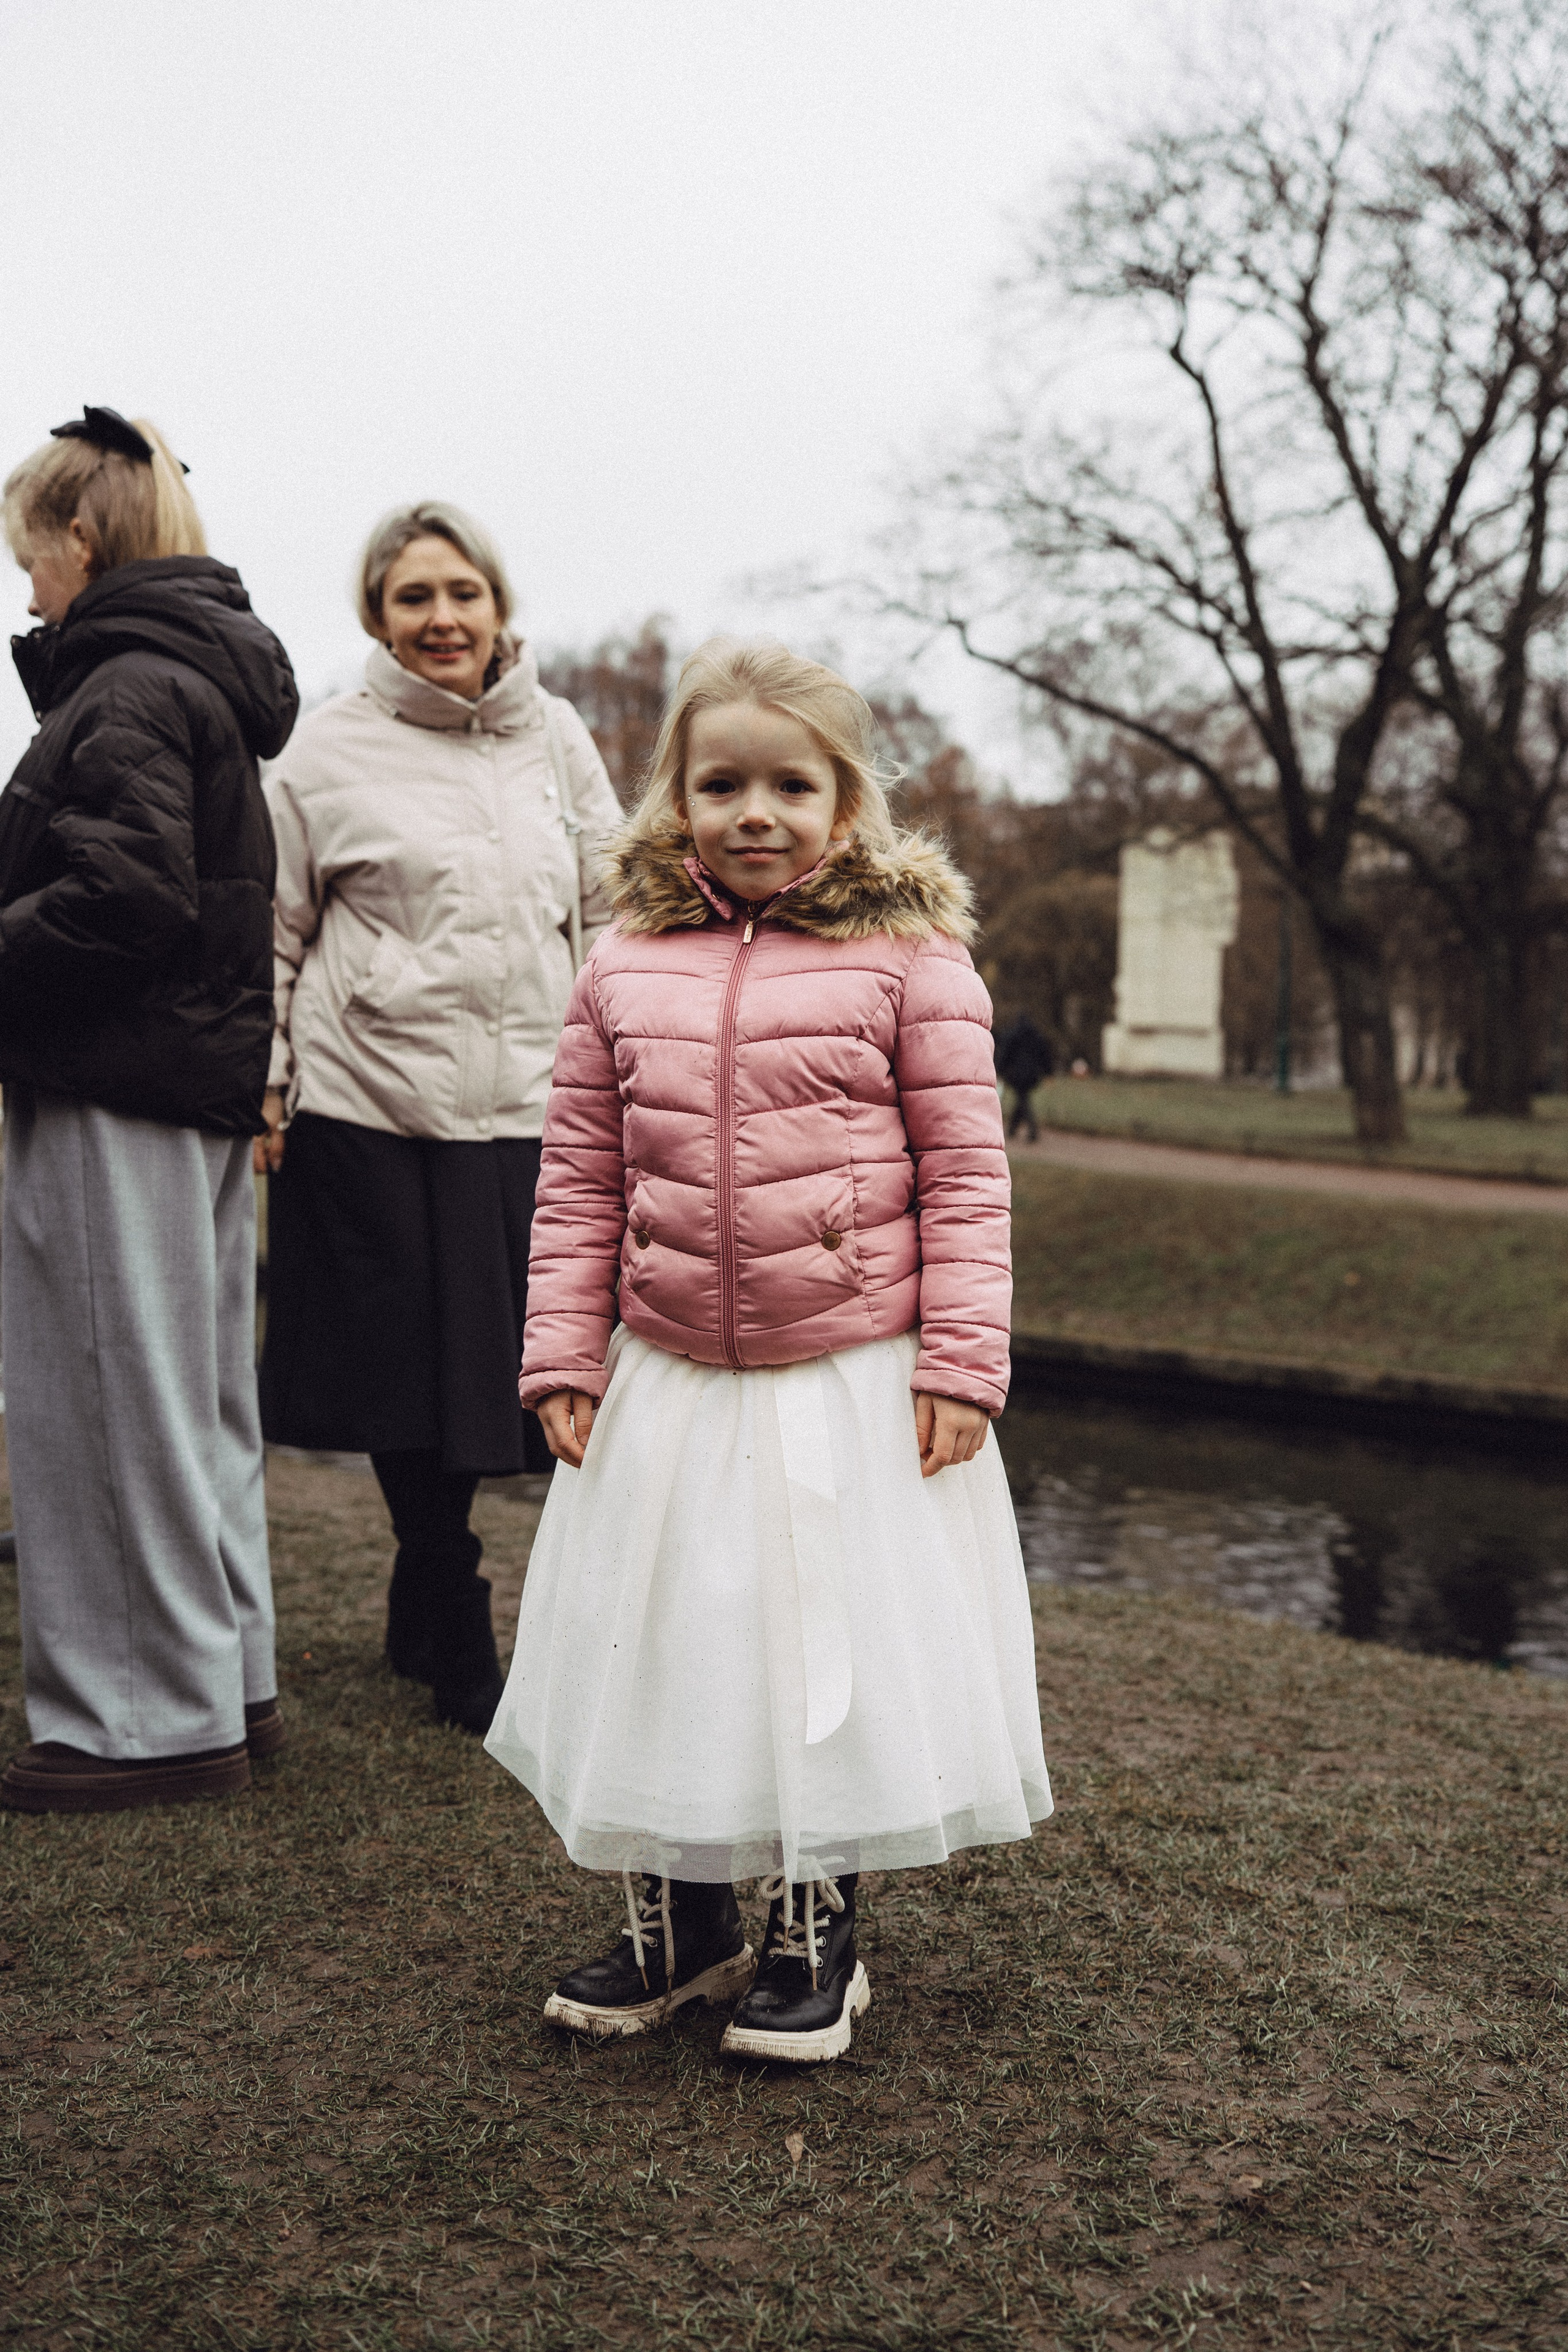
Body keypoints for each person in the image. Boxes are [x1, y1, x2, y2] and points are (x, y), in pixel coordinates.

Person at [485, 639, 1052, 2064]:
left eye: (790, 783)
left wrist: (959, 1361)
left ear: (845, 802)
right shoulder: (621, 963)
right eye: (719, 781)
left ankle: (815, 1916)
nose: (754, 810)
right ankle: (679, 1916)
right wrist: (564, 1344)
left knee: (818, 1643)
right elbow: (580, 1178)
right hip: (667, 1370)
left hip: (845, 1372)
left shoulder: (911, 961)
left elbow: (967, 1173)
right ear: (674, 794)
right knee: (673, 1632)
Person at [257, 502, 624, 1735]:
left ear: (497, 604)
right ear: (377, 617)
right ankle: (451, 1604)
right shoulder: (322, 751)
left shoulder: (557, 736)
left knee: (490, 1367)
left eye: (461, 592)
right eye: (413, 598)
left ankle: (423, 1580)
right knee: (399, 1371)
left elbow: (612, 906)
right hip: (368, 1098)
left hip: (528, 1100)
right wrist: (266, 1075)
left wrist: (630, 1058)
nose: (442, 619)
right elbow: (274, 928)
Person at [0, 407, 297, 1814]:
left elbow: (124, 895)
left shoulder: (120, 690)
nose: (28, 590)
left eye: (29, 558)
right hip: (191, 1081)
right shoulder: (196, 684)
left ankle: (141, 1722)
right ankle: (224, 1678)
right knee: (194, 1397)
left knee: (109, 1395)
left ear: (82, 539)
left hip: (117, 1077)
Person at [994, 1012, 1054, 1141]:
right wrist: (1048, 1072)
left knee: (1023, 1100)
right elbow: (1045, 1054)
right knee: (1022, 1099)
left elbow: (1005, 1054)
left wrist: (1000, 1069)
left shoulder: (1012, 1035)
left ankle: (1032, 1131)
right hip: (1032, 1074)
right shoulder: (1037, 1036)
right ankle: (1012, 1130)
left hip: (1016, 1074)